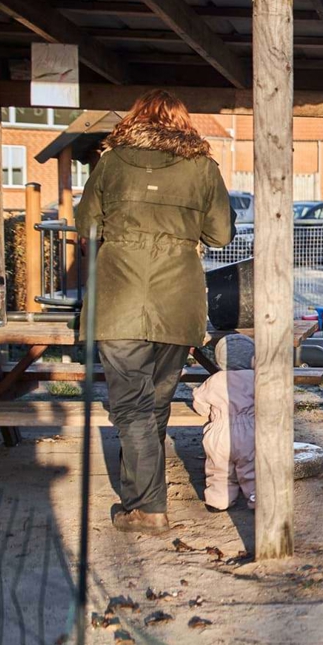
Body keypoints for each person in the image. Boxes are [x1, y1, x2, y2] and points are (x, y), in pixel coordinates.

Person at [76, 89, 234, 534]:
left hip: (118, 297)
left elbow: (86, 223)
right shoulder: (203, 167)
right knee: (154, 403)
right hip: (178, 298)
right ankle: (141, 499)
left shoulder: (110, 162)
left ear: (135, 119)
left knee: (132, 407)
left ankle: (146, 508)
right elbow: (221, 233)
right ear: (182, 122)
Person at [191, 334, 256, 512]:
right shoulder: (255, 378)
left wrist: (209, 413)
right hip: (249, 432)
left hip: (219, 431)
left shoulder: (214, 380)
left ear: (219, 361)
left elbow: (200, 403)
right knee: (251, 468)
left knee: (219, 469)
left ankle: (218, 501)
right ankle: (255, 499)